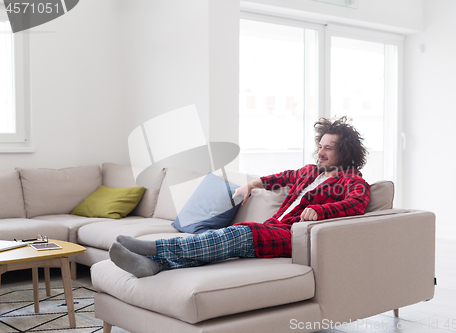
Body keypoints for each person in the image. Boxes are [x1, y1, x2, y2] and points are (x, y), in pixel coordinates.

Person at [109, 116, 370, 277]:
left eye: (328, 148)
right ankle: (155, 266)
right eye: (320, 146)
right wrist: (250, 185)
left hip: (295, 236)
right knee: (222, 248)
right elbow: (277, 178)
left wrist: (322, 211)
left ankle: (156, 248)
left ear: (344, 152)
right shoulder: (309, 171)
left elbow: (357, 203)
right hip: (274, 229)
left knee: (238, 232)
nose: (320, 152)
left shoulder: (352, 181)